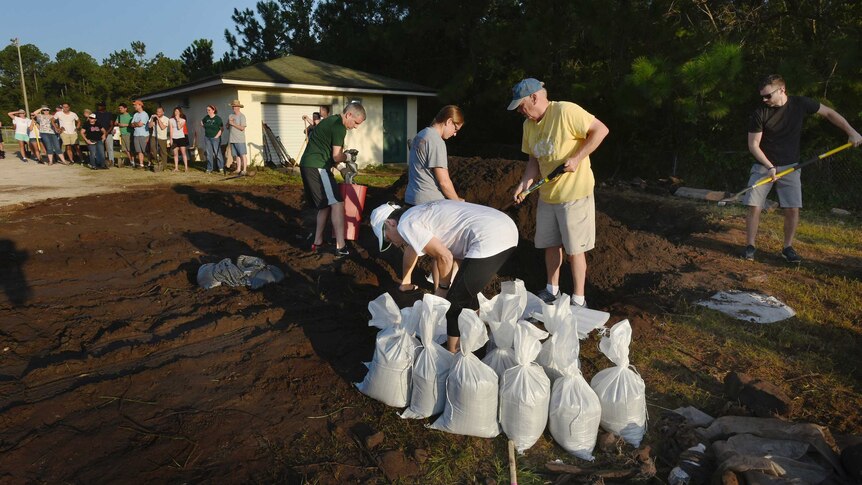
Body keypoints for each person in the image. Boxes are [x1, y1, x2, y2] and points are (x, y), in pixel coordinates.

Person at [508, 78, 609, 309]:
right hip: (547, 195)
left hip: (574, 193)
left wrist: (577, 157)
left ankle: (578, 298)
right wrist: (525, 182)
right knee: (550, 244)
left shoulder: (565, 111)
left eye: (521, 106)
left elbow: (601, 130)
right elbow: (534, 159)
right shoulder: (529, 126)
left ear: (534, 98)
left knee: (575, 249)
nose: (520, 112)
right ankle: (551, 289)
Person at [743, 74, 862, 263]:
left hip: (791, 165)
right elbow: (753, 145)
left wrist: (852, 132)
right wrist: (769, 166)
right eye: (762, 97)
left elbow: (830, 113)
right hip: (763, 165)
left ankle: (787, 247)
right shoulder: (760, 112)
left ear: (782, 90)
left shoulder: (800, 104)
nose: (764, 100)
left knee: (792, 208)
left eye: (768, 96)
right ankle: (750, 246)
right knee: (754, 205)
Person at [370, 200, 518, 352]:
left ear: (390, 223)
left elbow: (445, 256)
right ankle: (473, 341)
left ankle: (452, 355)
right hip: (504, 227)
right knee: (466, 294)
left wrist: (443, 289)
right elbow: (454, 252)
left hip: (491, 236)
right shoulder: (419, 213)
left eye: (388, 238)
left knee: (454, 304)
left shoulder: (406, 224)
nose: (394, 244)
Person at [400, 105, 466, 291]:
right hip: (431, 202)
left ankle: (405, 283)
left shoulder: (421, 134)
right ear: (448, 121)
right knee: (442, 250)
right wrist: (456, 201)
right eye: (455, 128)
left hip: (414, 197)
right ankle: (439, 289)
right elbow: (443, 181)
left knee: (414, 243)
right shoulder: (436, 141)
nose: (454, 134)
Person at [299, 102, 366, 256]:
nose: (355, 127)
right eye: (356, 122)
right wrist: (349, 156)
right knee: (337, 203)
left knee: (325, 205)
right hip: (317, 167)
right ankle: (341, 246)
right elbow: (337, 155)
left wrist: (342, 169)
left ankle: (317, 241)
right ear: (349, 115)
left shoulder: (331, 121)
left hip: (311, 165)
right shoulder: (339, 127)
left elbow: (330, 155)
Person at [200, 105, 224, 174]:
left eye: (209, 110)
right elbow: (201, 122)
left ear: (213, 110)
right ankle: (209, 168)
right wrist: (205, 127)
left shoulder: (217, 118)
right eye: (207, 110)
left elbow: (222, 129)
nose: (207, 111)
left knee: (217, 153)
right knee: (209, 153)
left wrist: (217, 136)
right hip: (207, 138)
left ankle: (221, 168)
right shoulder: (206, 118)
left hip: (215, 138)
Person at [227, 100, 249, 175]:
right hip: (232, 138)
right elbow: (227, 126)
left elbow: (242, 128)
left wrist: (233, 123)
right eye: (233, 106)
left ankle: (244, 170)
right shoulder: (230, 115)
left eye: (235, 106)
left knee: (242, 154)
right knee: (236, 155)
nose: (233, 107)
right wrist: (228, 123)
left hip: (240, 139)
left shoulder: (242, 116)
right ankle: (238, 169)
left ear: (239, 107)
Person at [148, 106, 170, 172]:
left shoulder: (166, 119)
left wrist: (158, 119)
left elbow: (162, 127)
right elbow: (150, 126)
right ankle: (158, 160)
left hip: (162, 137)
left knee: (163, 152)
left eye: (160, 112)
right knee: (152, 148)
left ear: (163, 112)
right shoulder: (153, 118)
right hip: (154, 136)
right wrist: (152, 119)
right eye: (157, 112)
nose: (158, 113)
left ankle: (164, 166)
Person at [130, 100, 150, 169]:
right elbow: (132, 124)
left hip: (143, 134)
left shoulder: (145, 114)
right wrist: (136, 124)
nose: (134, 106)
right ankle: (141, 164)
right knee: (139, 150)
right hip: (136, 134)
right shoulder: (135, 114)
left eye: (135, 105)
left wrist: (136, 124)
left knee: (145, 150)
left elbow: (141, 124)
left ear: (140, 105)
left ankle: (149, 162)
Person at [169, 107, 190, 172]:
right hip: (174, 138)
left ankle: (186, 167)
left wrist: (178, 120)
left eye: (178, 111)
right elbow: (171, 130)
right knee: (175, 154)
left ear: (180, 113)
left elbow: (179, 127)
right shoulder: (171, 120)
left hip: (181, 138)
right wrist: (171, 139)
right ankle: (176, 168)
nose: (176, 113)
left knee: (183, 153)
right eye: (175, 111)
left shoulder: (183, 120)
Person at [94, 102, 114, 167]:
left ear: (104, 107)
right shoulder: (95, 114)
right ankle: (99, 161)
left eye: (100, 106)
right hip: (98, 133)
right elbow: (94, 123)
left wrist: (107, 132)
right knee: (99, 148)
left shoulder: (109, 114)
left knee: (110, 148)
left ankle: (111, 161)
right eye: (98, 106)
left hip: (108, 133)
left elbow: (111, 124)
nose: (99, 107)